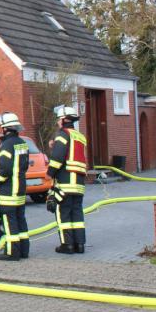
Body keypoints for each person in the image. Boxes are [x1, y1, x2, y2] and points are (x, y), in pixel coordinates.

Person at [48, 105, 88, 254]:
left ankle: (67, 245)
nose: (58, 122)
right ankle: (80, 245)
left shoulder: (62, 134)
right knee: (77, 214)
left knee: (63, 212)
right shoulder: (79, 136)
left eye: (59, 119)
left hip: (65, 182)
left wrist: (50, 173)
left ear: (64, 120)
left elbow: (58, 157)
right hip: (79, 183)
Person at [0, 112, 30, 261]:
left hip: (8, 191)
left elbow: (5, 169)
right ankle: (24, 250)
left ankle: (12, 252)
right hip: (20, 189)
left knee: (10, 222)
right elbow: (25, 166)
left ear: (5, 129)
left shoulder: (7, 145)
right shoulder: (22, 143)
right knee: (21, 219)